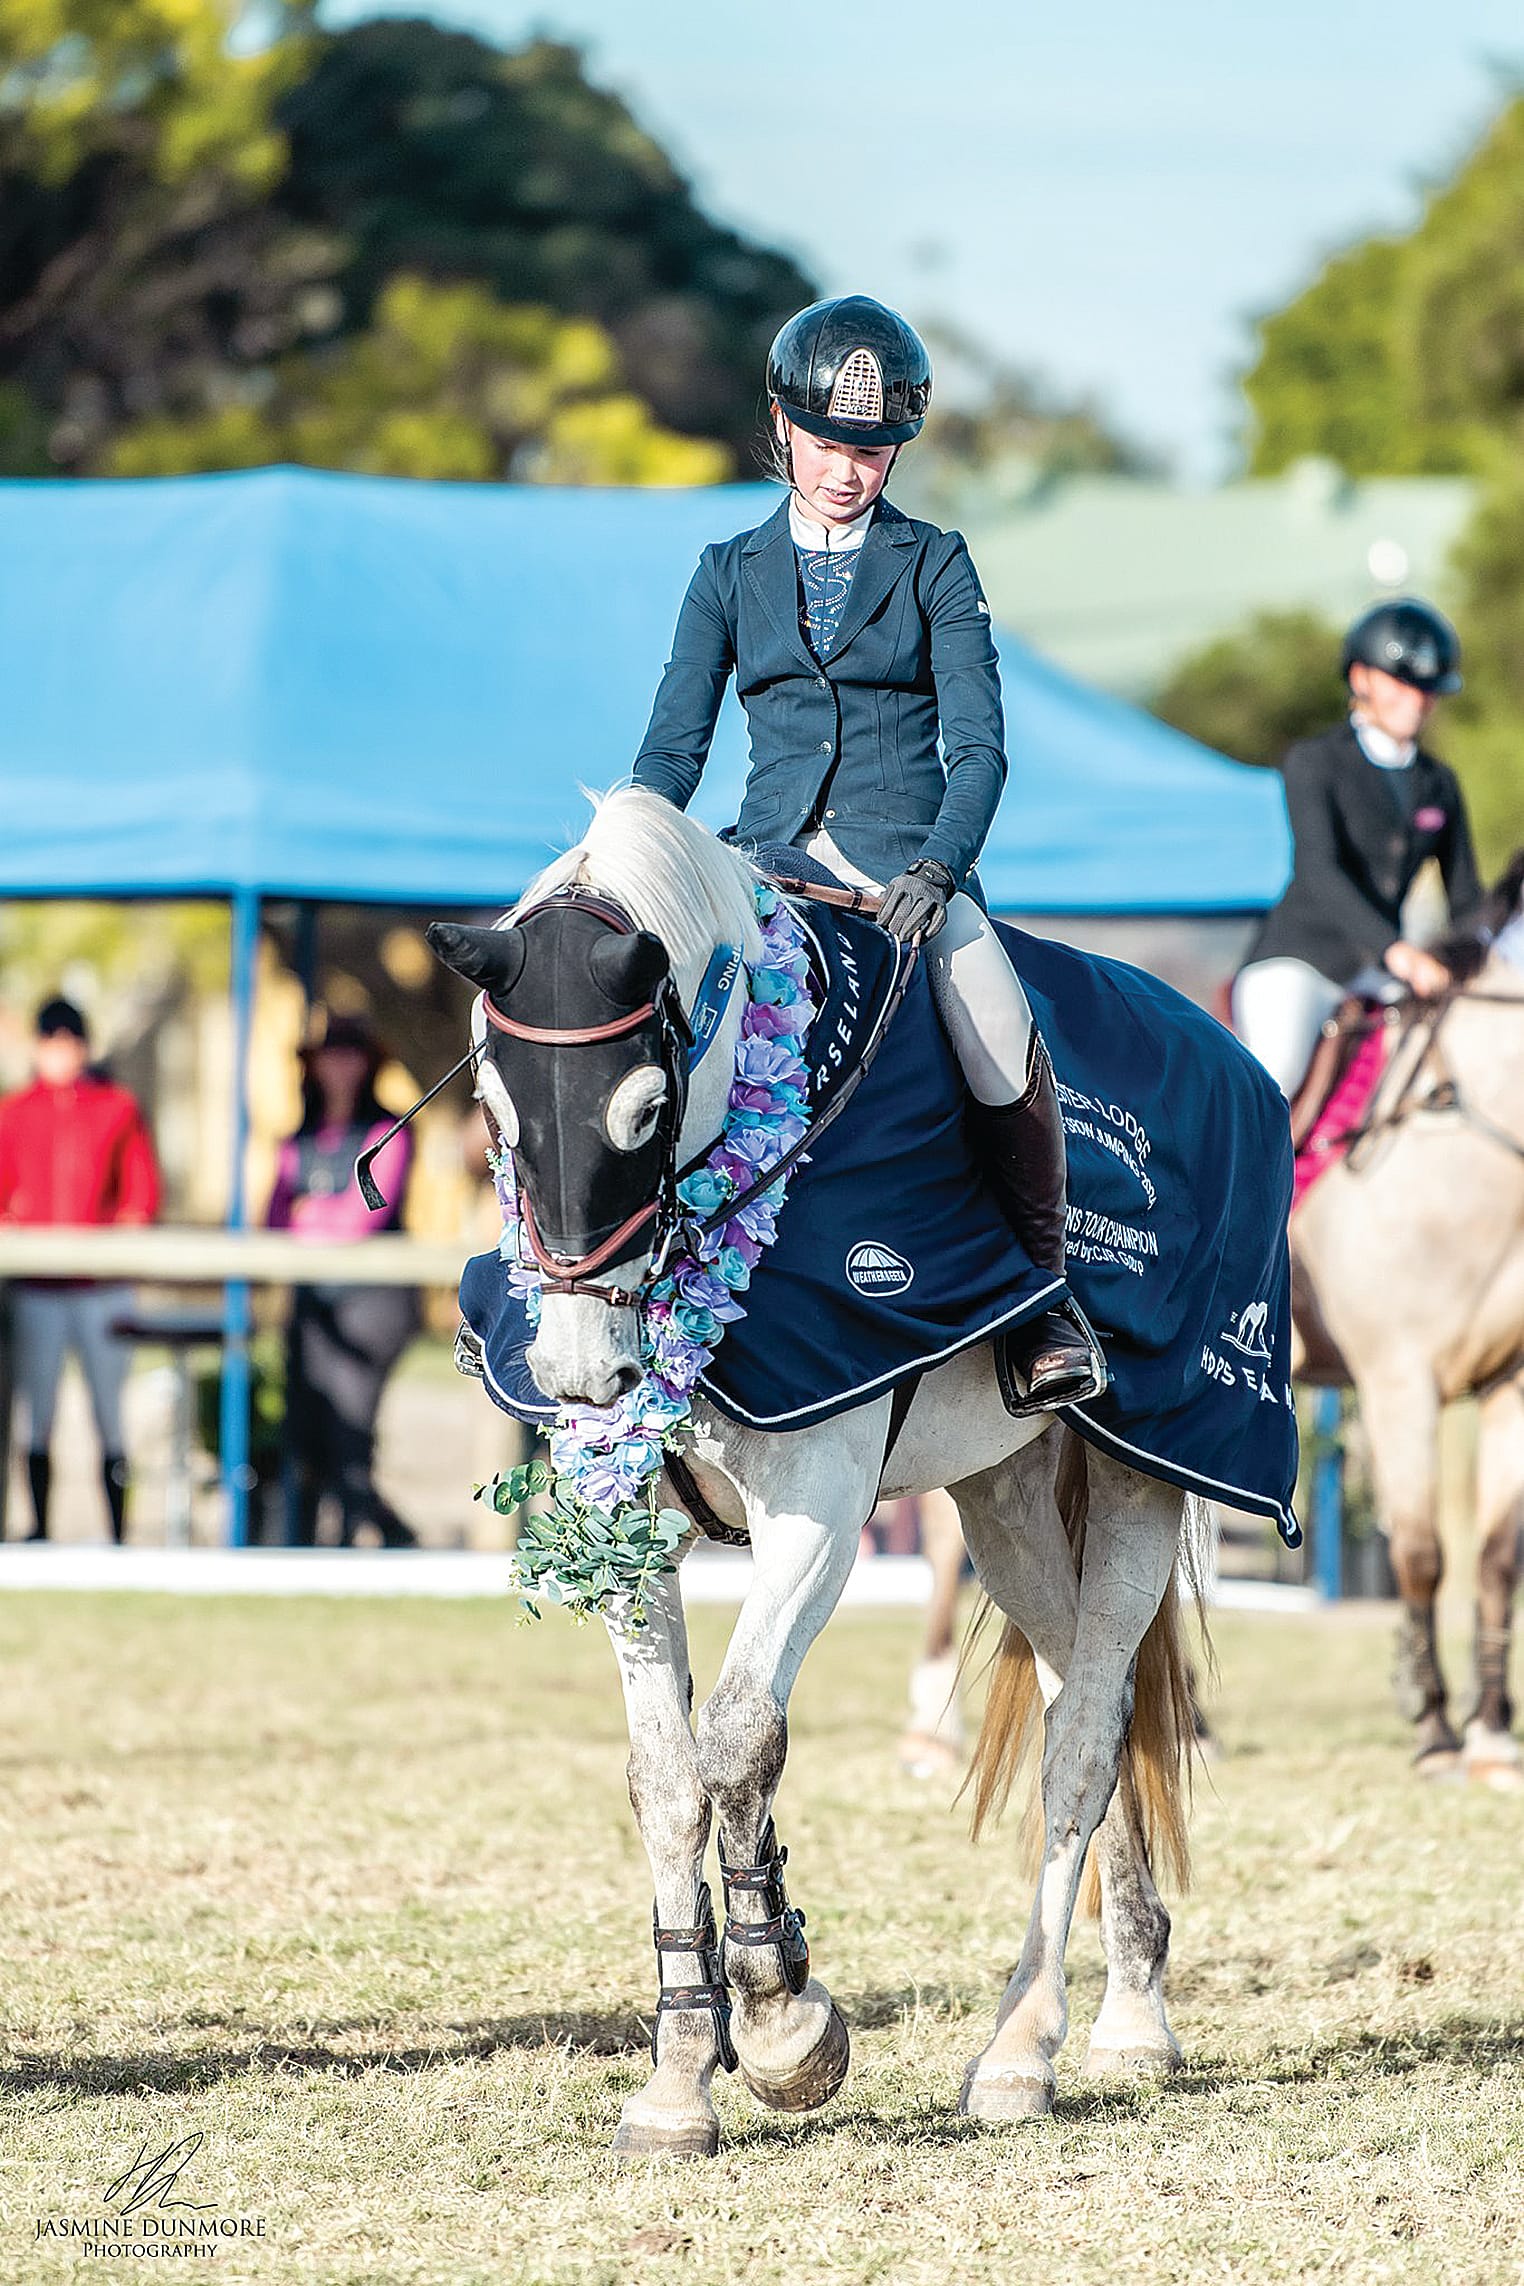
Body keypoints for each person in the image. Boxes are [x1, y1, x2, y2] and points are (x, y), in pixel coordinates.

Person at [631, 294, 1093, 1406]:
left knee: (993, 1033)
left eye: (875, 451)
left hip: (908, 870)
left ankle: (1042, 1300)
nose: (850, 470)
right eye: (833, 445)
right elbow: (671, 750)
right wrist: (633, 865)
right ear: (785, 429)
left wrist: (937, 870)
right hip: (772, 864)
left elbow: (981, 747)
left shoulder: (936, 564)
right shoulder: (724, 571)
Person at [1233, 599, 1482, 1100]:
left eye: (1427, 689)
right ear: (1362, 678)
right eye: (1402, 684)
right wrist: (1399, 952)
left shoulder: (1438, 784)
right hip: (1299, 963)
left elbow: (1466, 898)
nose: (1417, 700)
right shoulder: (1315, 762)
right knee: (1273, 1080)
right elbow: (1319, 869)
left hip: (1379, 973)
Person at [0, 997, 160, 1541]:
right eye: (51, 1041)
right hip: (38, 1287)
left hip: (101, 1286)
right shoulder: (15, 1112)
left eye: (69, 1041)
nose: (60, 1052)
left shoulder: (116, 1107)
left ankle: (118, 1530)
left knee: (110, 1413)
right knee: (37, 1412)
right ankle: (41, 1527)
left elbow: (142, 1192)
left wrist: (120, 1232)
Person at [267, 1013, 419, 1547]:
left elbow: (365, 1215)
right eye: (329, 1055)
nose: (338, 1066)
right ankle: (321, 1545)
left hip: (373, 1302)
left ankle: (359, 1545)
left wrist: (311, 1215)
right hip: (314, 1302)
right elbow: (274, 1217)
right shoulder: (298, 1136)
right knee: (307, 1432)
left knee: (350, 1430)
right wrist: (314, 1218)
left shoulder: (388, 1130)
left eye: (349, 1054)